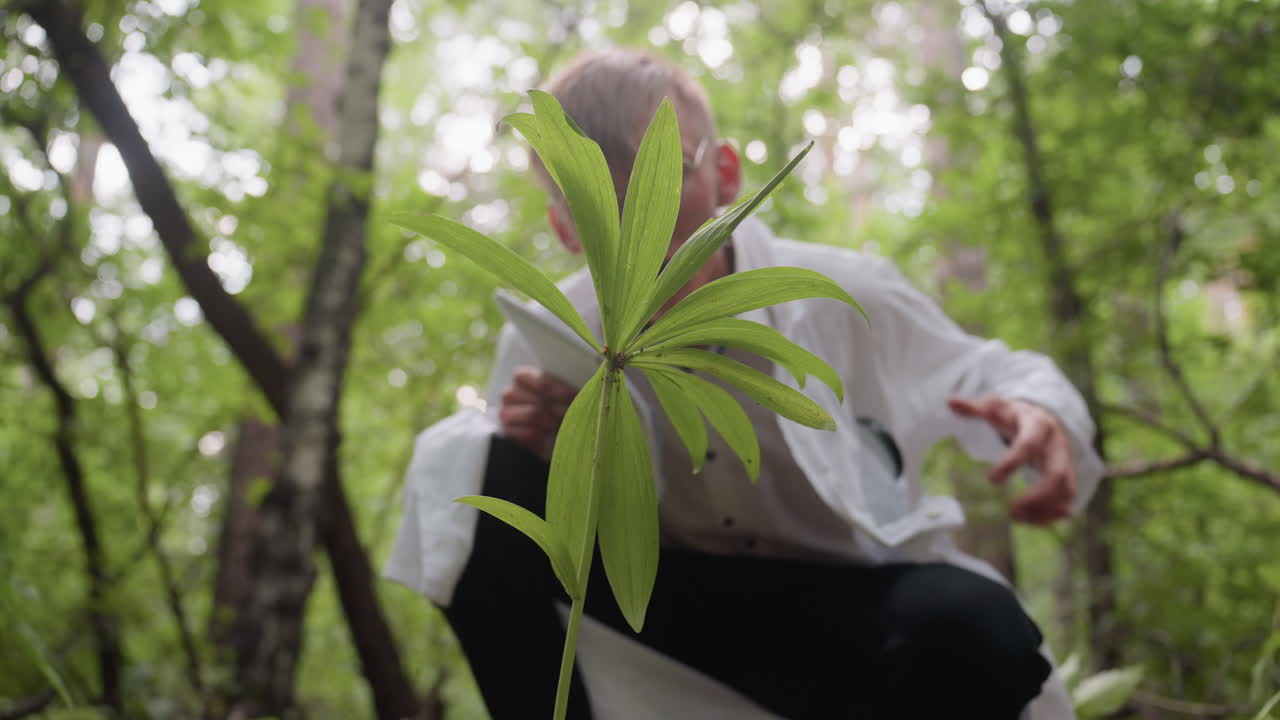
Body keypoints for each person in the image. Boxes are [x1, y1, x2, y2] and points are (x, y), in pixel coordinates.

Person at [384, 47, 1104, 720]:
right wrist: (562, 454)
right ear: (566, 228)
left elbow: (990, 369)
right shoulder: (547, 333)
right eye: (597, 208)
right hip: (673, 602)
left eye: (667, 183)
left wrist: (1037, 409)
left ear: (725, 173)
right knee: (465, 464)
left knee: (972, 626)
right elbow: (540, 548)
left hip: (856, 599)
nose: (643, 229)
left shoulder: (837, 293)